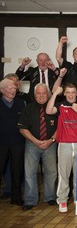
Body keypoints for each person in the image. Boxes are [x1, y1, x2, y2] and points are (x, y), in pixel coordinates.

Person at [46, 83, 77, 213]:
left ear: (76, 93)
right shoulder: (60, 106)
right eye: (68, 92)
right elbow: (48, 110)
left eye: (73, 92)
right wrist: (54, 94)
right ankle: (62, 200)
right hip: (65, 144)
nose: (70, 95)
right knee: (64, 174)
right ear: (64, 93)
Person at [17, 83, 58, 211]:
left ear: (48, 94)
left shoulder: (54, 108)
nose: (41, 96)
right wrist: (35, 141)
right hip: (32, 144)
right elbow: (22, 129)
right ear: (34, 95)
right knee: (30, 173)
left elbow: (60, 127)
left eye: (44, 93)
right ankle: (30, 200)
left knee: (51, 172)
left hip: (50, 144)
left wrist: (50, 141)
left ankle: (50, 197)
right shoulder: (28, 108)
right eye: (38, 93)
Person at [0, 78, 25, 206]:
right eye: (10, 88)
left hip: (17, 142)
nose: (13, 91)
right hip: (1, 143)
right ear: (2, 90)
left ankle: (16, 197)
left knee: (17, 170)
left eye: (14, 88)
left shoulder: (21, 103)